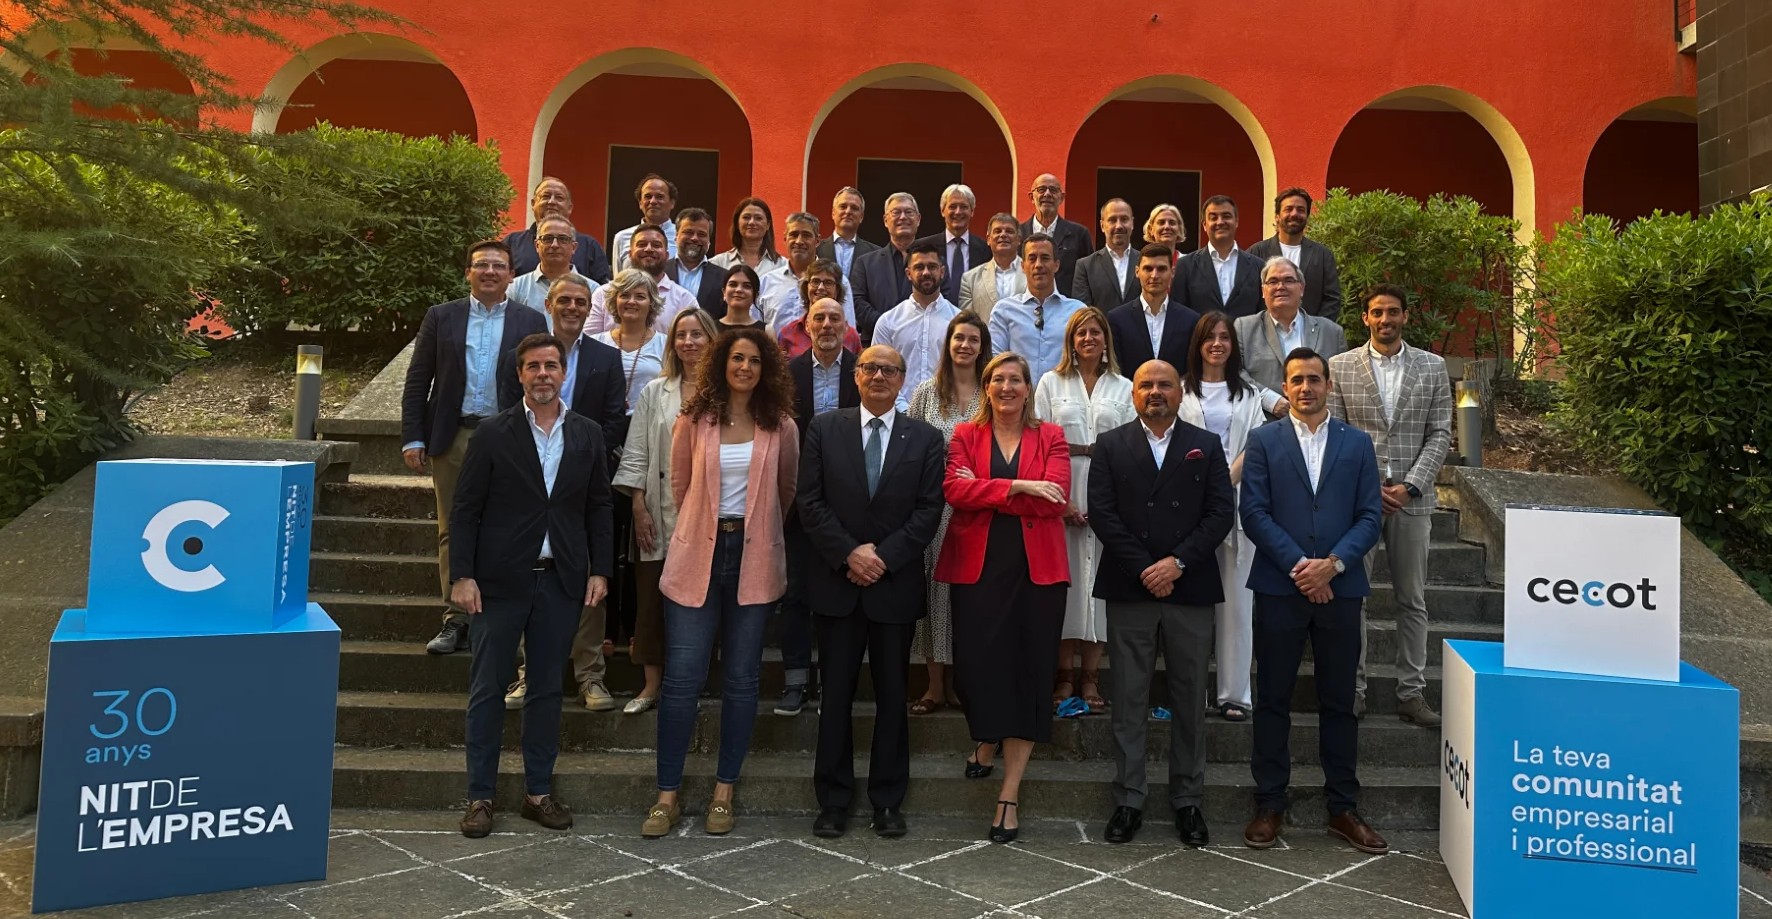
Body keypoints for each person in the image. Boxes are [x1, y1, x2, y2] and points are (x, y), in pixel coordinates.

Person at [451, 332, 613, 838]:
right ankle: (480, 797)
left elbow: (599, 506)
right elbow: (465, 509)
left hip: (561, 580)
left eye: (551, 365)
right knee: (487, 690)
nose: (543, 374)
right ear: (519, 374)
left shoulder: (587, 433)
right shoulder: (492, 434)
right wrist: (462, 575)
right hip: (498, 583)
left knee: (546, 690)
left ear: (564, 372)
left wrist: (600, 569)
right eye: (533, 367)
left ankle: (538, 793)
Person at [644, 328, 799, 838]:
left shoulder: (781, 425)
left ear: (766, 369)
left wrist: (756, 532)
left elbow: (786, 491)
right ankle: (667, 795)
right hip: (698, 557)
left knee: (741, 679)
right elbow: (681, 486)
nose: (745, 367)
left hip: (753, 559)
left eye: (754, 360)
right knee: (682, 679)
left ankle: (723, 791)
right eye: (737, 358)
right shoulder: (694, 419)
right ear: (721, 363)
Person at [1240, 347, 1387, 855]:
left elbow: (1370, 515)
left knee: (1340, 702)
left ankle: (1343, 808)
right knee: (1273, 698)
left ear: (1328, 385)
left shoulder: (1357, 443)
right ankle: (1269, 803)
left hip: (1340, 590)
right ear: (1285, 387)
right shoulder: (1263, 441)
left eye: (1315, 379)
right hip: (1280, 588)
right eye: (1297, 380)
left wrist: (1333, 565)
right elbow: (1254, 512)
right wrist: (1302, 567)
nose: (1306, 388)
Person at [798, 344, 947, 839]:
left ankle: (887, 801)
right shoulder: (824, 429)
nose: (878, 375)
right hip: (837, 584)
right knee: (836, 696)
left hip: (893, 584)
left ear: (903, 379)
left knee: (891, 697)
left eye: (889, 369)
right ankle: (833, 801)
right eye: (869, 368)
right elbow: (810, 501)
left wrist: (882, 558)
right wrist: (849, 554)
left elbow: (928, 510)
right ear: (856, 376)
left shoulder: (924, 438)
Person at [1087, 359, 1234, 846]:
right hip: (1130, 586)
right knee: (1128, 697)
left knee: (1189, 698)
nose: (1155, 392)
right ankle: (1129, 798)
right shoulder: (1110, 445)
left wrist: (1177, 563)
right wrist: (1146, 568)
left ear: (1179, 392)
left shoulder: (1205, 445)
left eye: (1165, 385)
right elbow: (1103, 514)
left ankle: (1188, 800)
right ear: (1133, 394)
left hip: (1189, 586)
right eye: (1146, 385)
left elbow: (1220, 513)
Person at [935, 352, 1070, 843]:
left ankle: (1008, 795)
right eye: (998, 379)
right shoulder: (964, 436)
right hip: (979, 570)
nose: (1007, 387)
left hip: (1037, 572)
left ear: (1028, 388)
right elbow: (954, 492)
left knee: (1029, 674)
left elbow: (1055, 498)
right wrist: (1020, 486)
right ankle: (986, 737)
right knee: (975, 671)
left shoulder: (1051, 436)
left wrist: (989, 490)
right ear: (986, 388)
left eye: (1016, 379)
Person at [404, 240, 548, 655]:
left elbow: (539, 379)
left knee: (509, 527)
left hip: (508, 438)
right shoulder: (441, 316)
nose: (489, 272)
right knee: (453, 527)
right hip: (454, 436)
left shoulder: (530, 320)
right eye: (481, 265)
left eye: (498, 266)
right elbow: (419, 378)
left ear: (511, 275)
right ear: (468, 272)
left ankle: (499, 614)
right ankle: (455, 618)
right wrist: (414, 435)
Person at [496, 273, 629, 712]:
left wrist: (582, 459)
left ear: (591, 308)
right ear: (548, 304)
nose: (572, 307)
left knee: (589, 582)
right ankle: (528, 674)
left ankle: (590, 675)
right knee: (528, 580)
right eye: (564, 300)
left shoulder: (606, 358)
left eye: (581, 301)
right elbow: (507, 413)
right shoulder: (523, 353)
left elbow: (614, 420)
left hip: (582, 483)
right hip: (527, 482)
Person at [1327, 285, 1453, 725]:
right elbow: (1336, 433)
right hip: (1358, 504)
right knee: (1352, 599)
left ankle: (1412, 693)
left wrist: (1411, 486)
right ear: (1365, 318)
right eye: (1377, 312)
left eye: (1393, 312)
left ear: (1405, 316)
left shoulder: (1433, 366)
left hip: (1412, 502)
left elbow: (1440, 432)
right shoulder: (1339, 366)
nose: (1386, 319)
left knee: (1412, 600)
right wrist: (1367, 488)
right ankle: (1353, 690)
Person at [613, 308, 719, 715]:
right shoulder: (655, 391)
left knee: (702, 599)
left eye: (697, 334)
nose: (689, 342)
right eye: (681, 335)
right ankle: (651, 684)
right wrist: (638, 505)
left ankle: (693, 681)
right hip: (660, 509)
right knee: (652, 597)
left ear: (712, 340)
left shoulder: (726, 391)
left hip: (709, 510)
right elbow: (636, 451)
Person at [1035, 306, 1135, 712]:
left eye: (1096, 332)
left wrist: (1113, 505)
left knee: (1099, 584)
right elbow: (1038, 442)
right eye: (1081, 333)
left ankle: (1091, 675)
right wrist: (1062, 501)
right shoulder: (1050, 382)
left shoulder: (1124, 387)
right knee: (1069, 581)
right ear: (1071, 341)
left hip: (1109, 490)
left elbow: (1132, 446)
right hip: (1063, 484)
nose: (1089, 338)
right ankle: (1064, 673)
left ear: (1106, 339)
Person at [1178, 311, 1270, 723]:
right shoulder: (1180, 390)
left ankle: (1234, 694)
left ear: (1233, 345)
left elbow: (1257, 443)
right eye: (1209, 337)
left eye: (1224, 337)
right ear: (1197, 344)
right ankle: (1191, 691)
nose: (1217, 344)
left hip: (1236, 503)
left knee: (1237, 605)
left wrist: (1224, 479)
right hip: (1188, 505)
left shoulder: (1248, 394)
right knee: (1191, 606)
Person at [777, 297, 861, 716]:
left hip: (848, 499)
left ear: (846, 327)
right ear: (806, 326)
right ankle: (795, 679)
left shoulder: (862, 371)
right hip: (796, 499)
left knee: (839, 593)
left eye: (834, 318)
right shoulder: (786, 374)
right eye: (819, 318)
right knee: (794, 591)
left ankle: (833, 680)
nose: (827, 325)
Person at [906, 311, 989, 716]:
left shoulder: (990, 392)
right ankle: (934, 684)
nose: (965, 346)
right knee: (934, 588)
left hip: (979, 505)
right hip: (934, 506)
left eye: (973, 339)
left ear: (982, 347)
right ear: (948, 344)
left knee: (968, 593)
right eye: (959, 338)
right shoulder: (927, 391)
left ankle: (962, 681)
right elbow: (908, 446)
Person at [1235, 256, 1348, 410]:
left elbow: (1341, 382)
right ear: (1263, 291)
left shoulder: (1332, 332)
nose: (1280, 286)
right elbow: (1234, 372)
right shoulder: (1244, 328)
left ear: (1301, 288)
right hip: (1265, 419)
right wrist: (1269, 400)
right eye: (1273, 281)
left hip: (1319, 419)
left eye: (1288, 280)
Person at [988, 234, 1085, 389]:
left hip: (1064, 398)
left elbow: (1086, 363)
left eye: (1045, 258)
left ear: (1056, 265)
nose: (1038, 265)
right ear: (1023, 266)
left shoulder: (1077, 311)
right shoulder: (1004, 310)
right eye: (1032, 258)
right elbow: (995, 363)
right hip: (1017, 398)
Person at [871, 238, 957, 410]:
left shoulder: (958, 321)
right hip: (898, 414)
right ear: (908, 273)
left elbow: (965, 374)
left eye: (932, 267)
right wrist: (904, 410)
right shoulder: (888, 321)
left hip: (947, 413)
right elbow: (878, 370)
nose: (926, 272)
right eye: (919, 267)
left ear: (942, 272)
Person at [1248, 187, 1343, 319]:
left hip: (1311, 330)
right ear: (1277, 216)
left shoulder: (1323, 255)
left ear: (1307, 217)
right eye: (1288, 209)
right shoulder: (1256, 253)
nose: (1294, 214)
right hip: (1266, 330)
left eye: (1300, 210)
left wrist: (1316, 328)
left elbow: (1332, 299)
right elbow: (1248, 297)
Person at [1108, 243, 1201, 377]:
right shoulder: (1117, 319)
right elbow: (1116, 369)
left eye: (1161, 269)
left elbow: (1192, 369)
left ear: (1172, 272)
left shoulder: (1191, 320)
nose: (1154, 275)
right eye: (1148, 269)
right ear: (1137, 272)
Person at [588, 225, 699, 335]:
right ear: (630, 254)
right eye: (642, 244)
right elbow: (589, 339)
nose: (648, 249)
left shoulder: (685, 300)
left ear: (667, 255)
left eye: (656, 245)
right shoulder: (604, 294)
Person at [761, 213, 857, 334]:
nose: (799, 241)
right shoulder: (766, 282)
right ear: (785, 239)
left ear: (817, 241)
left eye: (806, 235)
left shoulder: (838, 281)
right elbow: (755, 331)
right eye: (793, 235)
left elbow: (849, 331)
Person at [505, 176, 611, 281]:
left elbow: (603, 287)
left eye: (559, 198)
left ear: (569, 208)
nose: (552, 202)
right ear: (533, 204)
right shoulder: (513, 243)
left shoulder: (589, 246)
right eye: (546, 196)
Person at [593, 269, 670, 415]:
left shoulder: (665, 344)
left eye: (640, 296)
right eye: (625, 295)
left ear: (652, 303)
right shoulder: (596, 343)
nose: (631, 301)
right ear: (615, 301)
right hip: (604, 423)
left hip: (649, 423)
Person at [1175, 196, 1263, 319]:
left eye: (1226, 216)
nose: (1220, 222)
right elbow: (1179, 313)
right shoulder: (1185, 265)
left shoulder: (1258, 266)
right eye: (1213, 218)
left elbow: (1264, 314)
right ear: (1204, 225)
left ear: (1236, 221)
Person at [852, 192, 920, 345]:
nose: (902, 217)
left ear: (918, 219)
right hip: (876, 343)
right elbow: (857, 303)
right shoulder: (865, 263)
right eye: (896, 212)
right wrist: (886, 326)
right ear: (885, 220)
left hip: (920, 342)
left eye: (909, 212)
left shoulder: (933, 263)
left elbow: (941, 298)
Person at [508, 214, 595, 317]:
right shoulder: (515, 288)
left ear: (574, 247)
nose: (554, 245)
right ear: (537, 245)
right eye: (547, 238)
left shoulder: (593, 290)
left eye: (563, 239)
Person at [1020, 173, 1093, 296]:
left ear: (1062, 198)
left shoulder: (1079, 234)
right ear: (1032, 197)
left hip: (1068, 305)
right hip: (1025, 304)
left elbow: (1089, 276)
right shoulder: (1018, 234)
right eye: (1041, 189)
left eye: (1053, 190)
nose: (1047, 194)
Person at [915, 183, 989, 303]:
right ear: (942, 211)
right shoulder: (923, 247)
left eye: (964, 207)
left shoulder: (985, 250)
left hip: (972, 313)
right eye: (953, 206)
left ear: (972, 211)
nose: (958, 212)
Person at [774, 260, 863, 357]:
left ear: (837, 290)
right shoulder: (788, 334)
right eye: (815, 282)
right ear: (806, 287)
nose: (820, 287)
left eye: (828, 283)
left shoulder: (851, 336)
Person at [1071, 199, 1140, 309]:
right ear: (1102, 225)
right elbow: (1083, 312)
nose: (1119, 226)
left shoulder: (1146, 262)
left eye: (1124, 219)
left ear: (1132, 223)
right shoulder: (1085, 266)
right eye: (1112, 220)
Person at [957, 212, 1024, 320]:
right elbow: (967, 322)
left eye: (1009, 231)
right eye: (997, 231)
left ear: (1019, 239)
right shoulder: (970, 279)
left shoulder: (1034, 274)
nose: (1003, 235)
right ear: (988, 239)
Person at [665, 207, 728, 315]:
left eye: (701, 234)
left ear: (709, 241)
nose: (694, 238)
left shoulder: (724, 278)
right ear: (676, 236)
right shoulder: (660, 272)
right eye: (688, 232)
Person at [612, 174, 678, 272]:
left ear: (672, 203)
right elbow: (618, 278)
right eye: (648, 196)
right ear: (640, 203)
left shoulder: (681, 237)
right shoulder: (621, 238)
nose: (653, 201)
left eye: (659, 197)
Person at [710, 196, 785, 276]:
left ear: (768, 225)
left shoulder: (782, 265)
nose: (752, 222)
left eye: (758, 218)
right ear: (737, 223)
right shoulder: (718, 263)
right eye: (746, 217)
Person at [818, 186, 878, 280]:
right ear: (833, 213)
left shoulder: (875, 254)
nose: (848, 211)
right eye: (843, 206)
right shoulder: (816, 249)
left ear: (861, 217)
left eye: (854, 208)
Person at [715, 264, 767, 333]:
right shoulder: (709, 329)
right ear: (724, 291)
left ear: (756, 296)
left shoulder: (766, 331)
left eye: (747, 286)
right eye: (733, 284)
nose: (738, 290)